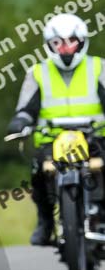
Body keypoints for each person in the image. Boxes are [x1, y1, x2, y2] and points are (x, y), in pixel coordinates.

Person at [6, 13, 105, 245]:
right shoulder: (37, 72)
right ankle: (46, 221)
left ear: (81, 41)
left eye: (71, 41)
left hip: (95, 137)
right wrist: (20, 122)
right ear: (49, 44)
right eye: (58, 43)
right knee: (38, 171)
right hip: (52, 140)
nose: (65, 48)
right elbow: (26, 108)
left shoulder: (99, 67)